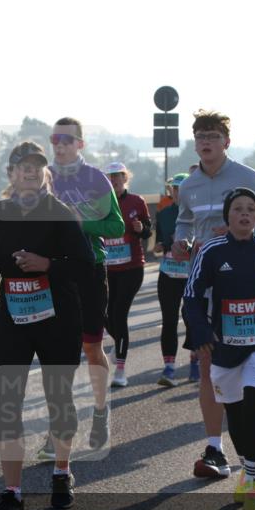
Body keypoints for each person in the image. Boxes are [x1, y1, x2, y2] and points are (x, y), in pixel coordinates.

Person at [171, 109, 255, 479]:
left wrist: (237, 227)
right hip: (205, 285)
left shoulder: (247, 178)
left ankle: (246, 423)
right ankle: (214, 448)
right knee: (208, 363)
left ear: (226, 142)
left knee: (241, 367)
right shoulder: (189, 184)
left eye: (212, 136)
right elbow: (185, 218)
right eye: (200, 136)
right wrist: (180, 238)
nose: (206, 142)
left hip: (243, 287)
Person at [0, 142, 94, 510]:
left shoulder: (60, 213)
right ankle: (12, 495)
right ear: (11, 173)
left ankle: (62, 472)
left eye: (36, 167)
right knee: (8, 403)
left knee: (58, 397)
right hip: (12, 315)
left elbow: (85, 266)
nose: (30, 172)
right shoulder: (1, 211)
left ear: (45, 173)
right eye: (22, 166)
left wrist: (47, 264)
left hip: (57, 316)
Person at [184, 187, 255, 510]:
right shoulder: (211, 251)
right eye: (238, 209)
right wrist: (200, 330)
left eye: (251, 210)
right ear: (227, 216)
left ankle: (253, 480)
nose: (245, 214)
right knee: (237, 414)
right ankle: (246, 466)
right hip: (224, 348)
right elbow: (192, 295)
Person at [42, 117, 124, 458]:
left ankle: (101, 411)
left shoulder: (95, 178)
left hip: (90, 267)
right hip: (54, 272)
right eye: (55, 138)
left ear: (80, 144)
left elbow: (116, 225)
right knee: (58, 354)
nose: (60, 144)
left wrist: (80, 223)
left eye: (67, 139)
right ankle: (56, 432)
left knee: (91, 348)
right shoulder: (42, 176)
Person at [102, 162, 151, 387]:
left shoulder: (136, 202)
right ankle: (119, 341)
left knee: (119, 314)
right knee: (106, 316)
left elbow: (148, 230)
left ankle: (120, 370)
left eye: (117, 177)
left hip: (132, 268)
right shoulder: (101, 203)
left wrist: (142, 229)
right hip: (107, 269)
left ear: (125, 178)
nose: (114, 181)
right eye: (110, 177)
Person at [154, 173, 196, 386]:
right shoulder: (164, 213)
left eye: (181, 188)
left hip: (192, 273)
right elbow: (160, 240)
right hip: (169, 272)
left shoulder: (197, 213)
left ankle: (195, 361)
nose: (177, 193)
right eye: (175, 189)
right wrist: (161, 245)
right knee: (169, 320)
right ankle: (169, 367)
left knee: (192, 317)